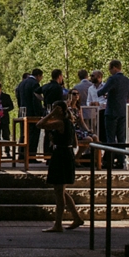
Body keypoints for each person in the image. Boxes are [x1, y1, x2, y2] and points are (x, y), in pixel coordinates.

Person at [34, 99, 84, 232]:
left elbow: (39, 124)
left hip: (61, 155)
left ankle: (58, 224)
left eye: (56, 109)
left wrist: (50, 114)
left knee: (59, 192)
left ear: (60, 110)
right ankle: (76, 217)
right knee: (61, 190)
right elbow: (74, 143)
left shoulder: (60, 123)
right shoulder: (70, 123)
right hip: (66, 154)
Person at [96, 60, 129, 148]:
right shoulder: (128, 81)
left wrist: (99, 93)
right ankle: (121, 159)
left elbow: (102, 91)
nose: (110, 71)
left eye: (110, 69)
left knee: (111, 137)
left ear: (114, 68)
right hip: (123, 111)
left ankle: (110, 159)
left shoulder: (112, 79)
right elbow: (127, 95)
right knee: (121, 138)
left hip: (111, 111)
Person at [15, 69, 45, 155]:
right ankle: (30, 155)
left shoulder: (21, 83)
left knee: (23, 134)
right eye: (41, 77)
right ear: (38, 75)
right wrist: (39, 112)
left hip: (22, 111)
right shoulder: (34, 83)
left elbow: (18, 97)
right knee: (33, 134)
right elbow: (35, 99)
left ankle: (21, 154)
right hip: (32, 112)